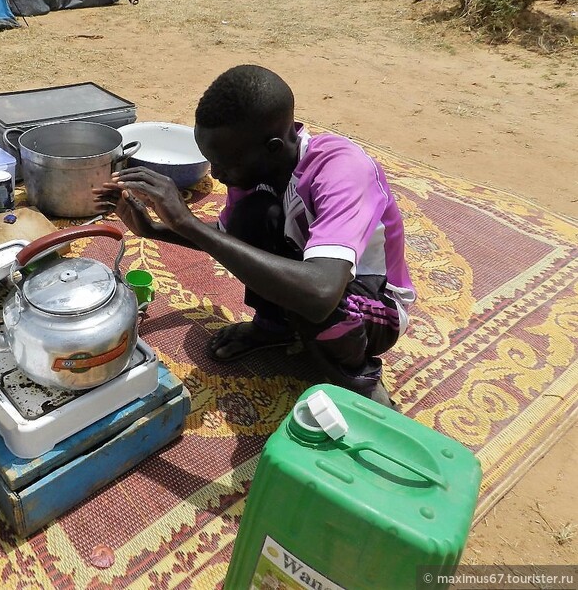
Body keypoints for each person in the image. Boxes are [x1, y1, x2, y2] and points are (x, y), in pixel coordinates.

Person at [94, 64, 415, 407]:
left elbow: (320, 291)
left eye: (226, 164)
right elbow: (227, 238)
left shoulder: (342, 170)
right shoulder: (257, 171)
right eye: (211, 162)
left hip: (374, 305)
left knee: (313, 303)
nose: (216, 175)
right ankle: (274, 327)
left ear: (273, 147)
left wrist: (186, 221)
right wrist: (153, 229)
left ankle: (359, 383)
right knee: (251, 219)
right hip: (317, 277)